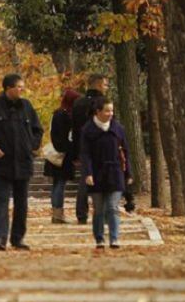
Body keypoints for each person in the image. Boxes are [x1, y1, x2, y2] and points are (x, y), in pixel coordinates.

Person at [0, 73, 44, 251]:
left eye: (23, 87)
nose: (22, 90)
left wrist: (32, 146)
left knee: (22, 203)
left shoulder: (27, 106)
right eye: (19, 87)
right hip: (2, 163)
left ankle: (18, 238)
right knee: (2, 200)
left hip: (23, 162)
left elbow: (38, 130)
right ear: (8, 88)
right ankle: (0, 237)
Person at [80, 98, 133, 249]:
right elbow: (85, 154)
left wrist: (128, 173)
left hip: (115, 172)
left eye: (112, 110)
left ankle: (114, 238)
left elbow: (125, 152)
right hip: (96, 174)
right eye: (107, 110)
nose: (110, 114)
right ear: (98, 112)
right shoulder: (88, 130)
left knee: (112, 207)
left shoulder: (118, 128)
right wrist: (88, 173)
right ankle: (99, 238)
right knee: (99, 209)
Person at [71, 73, 110, 224]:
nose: (106, 88)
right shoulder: (103, 102)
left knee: (84, 180)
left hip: (83, 146)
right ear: (99, 85)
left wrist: (75, 152)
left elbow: (74, 129)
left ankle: (81, 213)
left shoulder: (78, 103)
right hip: (101, 145)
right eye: (106, 84)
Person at [45, 88, 81, 224]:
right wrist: (72, 153)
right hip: (63, 155)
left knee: (56, 184)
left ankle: (56, 213)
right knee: (60, 183)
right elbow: (67, 137)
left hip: (57, 153)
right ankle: (58, 213)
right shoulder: (66, 116)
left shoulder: (57, 114)